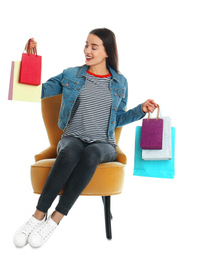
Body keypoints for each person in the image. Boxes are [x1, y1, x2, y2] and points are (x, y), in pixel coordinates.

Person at [13, 28, 157, 248]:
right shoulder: (71, 75)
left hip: (104, 144)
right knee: (71, 151)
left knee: (91, 154)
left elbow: (117, 118)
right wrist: (30, 63)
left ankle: (55, 219)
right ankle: (37, 215)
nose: (87, 50)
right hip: (72, 137)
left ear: (107, 51)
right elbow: (35, 92)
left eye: (93, 46)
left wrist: (140, 110)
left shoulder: (120, 82)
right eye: (86, 45)